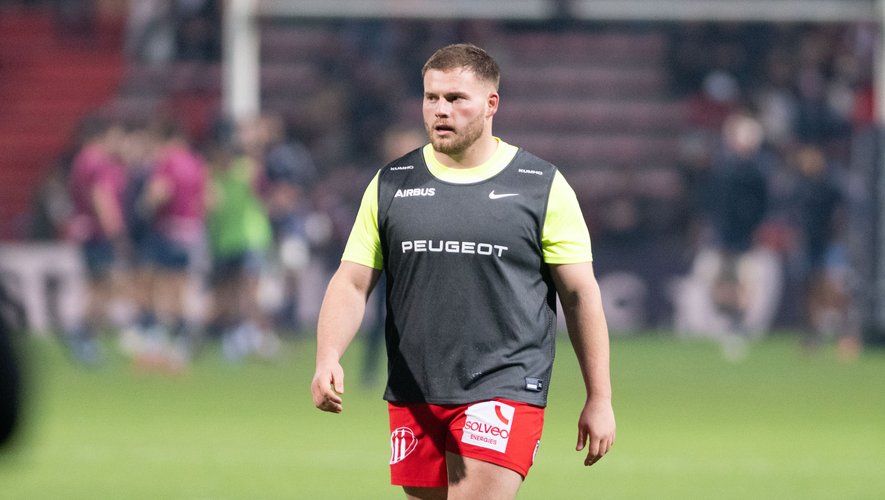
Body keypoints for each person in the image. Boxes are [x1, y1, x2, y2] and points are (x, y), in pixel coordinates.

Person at [311, 44, 615, 499]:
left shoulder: (541, 187)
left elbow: (579, 296)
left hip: (505, 384)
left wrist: (600, 397)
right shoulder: (392, 183)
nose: (440, 109)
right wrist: (328, 356)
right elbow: (352, 283)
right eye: (431, 97)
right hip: (415, 390)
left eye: (456, 98)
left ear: (491, 104)